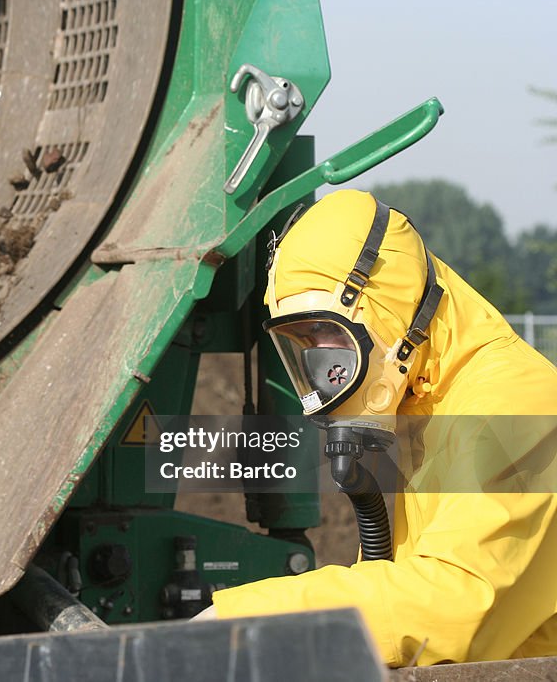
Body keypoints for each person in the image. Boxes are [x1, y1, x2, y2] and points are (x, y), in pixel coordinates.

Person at [194, 189, 557, 666]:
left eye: (328, 334)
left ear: (389, 311)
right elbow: (400, 592)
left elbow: (453, 603)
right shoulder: (426, 404)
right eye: (301, 343)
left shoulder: (514, 401)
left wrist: (240, 621)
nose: (323, 366)